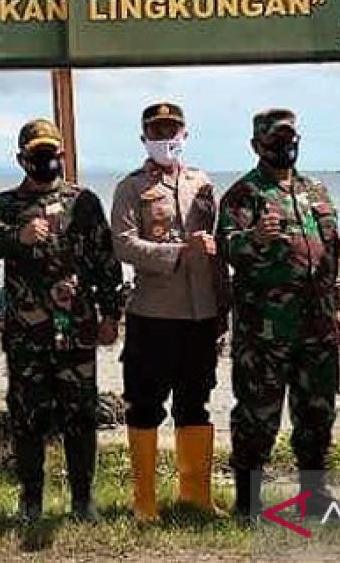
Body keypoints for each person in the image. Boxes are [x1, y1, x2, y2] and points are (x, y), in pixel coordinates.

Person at [0, 119, 124, 522]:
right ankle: (31, 500)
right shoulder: (4, 205)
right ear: (22, 159)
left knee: (82, 414)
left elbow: (105, 264)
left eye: (52, 154)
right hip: (27, 333)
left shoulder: (84, 202)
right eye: (37, 155)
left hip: (77, 330)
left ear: (62, 155)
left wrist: (111, 314)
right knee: (27, 417)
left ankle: (82, 500)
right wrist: (17, 237)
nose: (46, 162)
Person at [216, 108, 340, 519]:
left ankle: (314, 495)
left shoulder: (317, 190)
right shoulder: (243, 194)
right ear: (257, 146)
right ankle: (248, 503)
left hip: (318, 324)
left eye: (290, 139)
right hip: (265, 329)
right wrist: (254, 237)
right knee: (257, 416)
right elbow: (227, 250)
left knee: (317, 411)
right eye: (275, 141)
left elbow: (332, 254)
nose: (284, 147)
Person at [110, 102, 226, 520]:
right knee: (145, 405)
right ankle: (145, 501)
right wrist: (178, 251)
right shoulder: (131, 187)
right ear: (144, 137)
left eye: (172, 130)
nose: (166, 138)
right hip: (154, 313)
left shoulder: (203, 183)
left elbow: (216, 239)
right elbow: (123, 244)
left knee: (195, 403)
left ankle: (195, 496)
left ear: (185, 134)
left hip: (200, 313)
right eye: (157, 131)